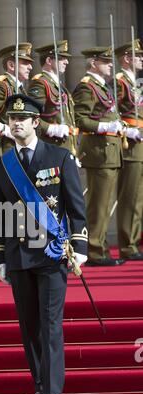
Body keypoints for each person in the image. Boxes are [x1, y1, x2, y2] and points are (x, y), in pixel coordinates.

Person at [0, 94, 88, 394]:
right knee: (29, 324)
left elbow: (76, 207)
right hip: (18, 256)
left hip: (52, 254)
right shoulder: (2, 163)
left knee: (50, 324)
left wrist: (80, 247)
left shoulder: (60, 157)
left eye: (23, 118)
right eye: (12, 118)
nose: (16, 123)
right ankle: (38, 382)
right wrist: (0, 256)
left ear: (36, 122)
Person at [73, 47, 125, 266]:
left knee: (104, 205)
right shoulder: (87, 87)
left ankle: (100, 247)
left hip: (109, 151)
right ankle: (94, 250)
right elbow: (81, 118)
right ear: (93, 63)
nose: (110, 64)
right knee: (98, 204)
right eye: (105, 61)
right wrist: (106, 126)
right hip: (99, 151)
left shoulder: (101, 86)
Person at [115, 39, 143, 260]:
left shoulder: (135, 83)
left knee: (138, 198)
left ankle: (132, 241)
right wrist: (126, 130)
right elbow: (110, 111)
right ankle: (127, 244)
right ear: (127, 58)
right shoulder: (120, 82)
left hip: (140, 144)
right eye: (138, 56)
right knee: (129, 196)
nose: (141, 59)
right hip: (130, 145)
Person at [0, 42, 33, 160]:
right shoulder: (2, 86)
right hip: (6, 148)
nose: (30, 67)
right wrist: (0, 128)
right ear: (11, 65)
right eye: (25, 63)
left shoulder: (19, 88)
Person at [27, 40, 78, 155]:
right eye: (61, 58)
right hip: (52, 146)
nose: (67, 62)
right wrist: (50, 129)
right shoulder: (40, 83)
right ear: (49, 60)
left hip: (66, 146)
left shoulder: (58, 85)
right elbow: (30, 115)